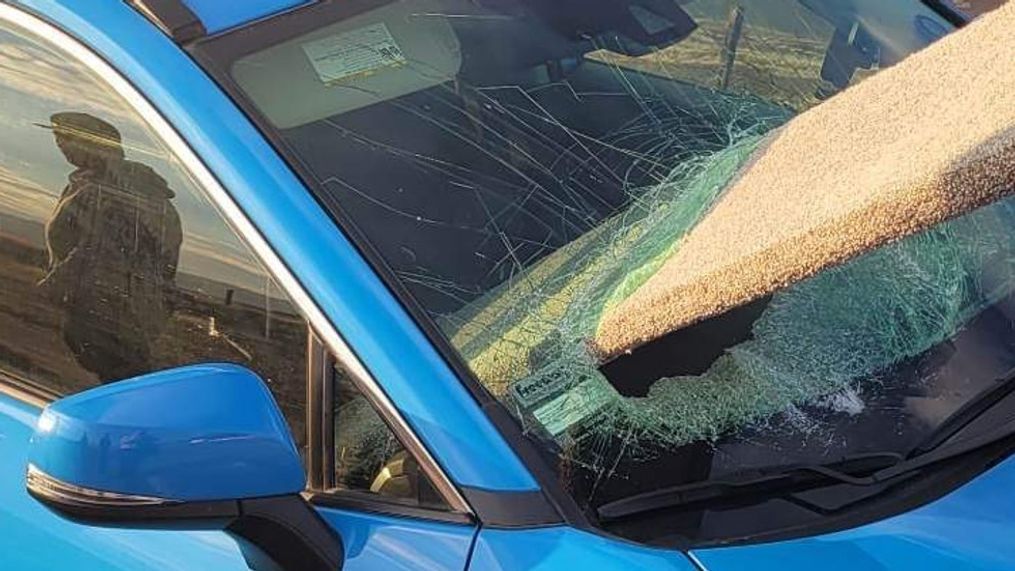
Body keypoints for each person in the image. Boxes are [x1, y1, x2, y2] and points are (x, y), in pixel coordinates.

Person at [37, 112, 182, 382]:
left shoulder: (120, 192)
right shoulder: (86, 183)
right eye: (57, 137)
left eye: (67, 137)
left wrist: (54, 286)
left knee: (116, 383)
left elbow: (102, 250)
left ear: (96, 144)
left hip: (110, 318)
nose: (60, 144)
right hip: (94, 312)